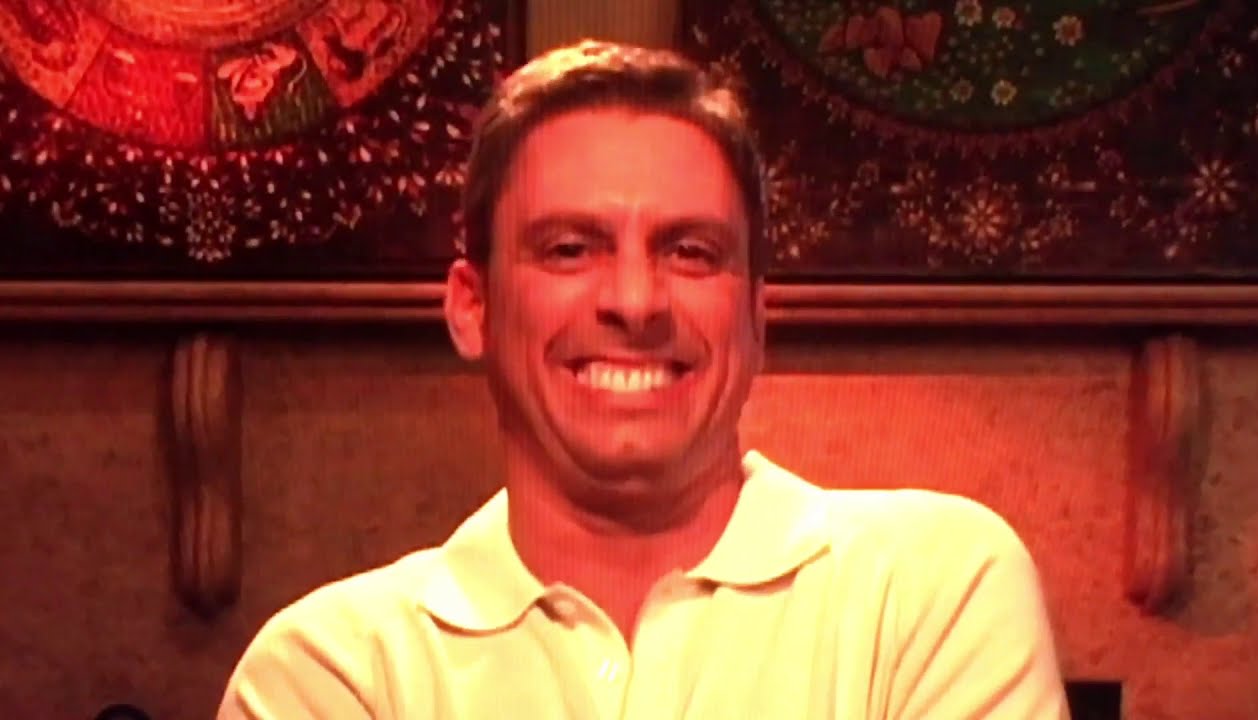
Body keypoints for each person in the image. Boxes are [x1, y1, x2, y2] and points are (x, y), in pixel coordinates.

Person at [217, 39, 1070, 719]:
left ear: (755, 319)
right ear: (474, 308)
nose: (635, 301)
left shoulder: (930, 590)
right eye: (569, 249)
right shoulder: (332, 674)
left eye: (690, 252)